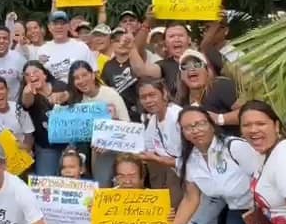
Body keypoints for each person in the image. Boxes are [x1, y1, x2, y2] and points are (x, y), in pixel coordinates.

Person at [66, 60, 130, 187]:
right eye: (76, 78)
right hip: (95, 150)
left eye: (84, 75)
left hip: (118, 149)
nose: (81, 80)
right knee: (101, 187)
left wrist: (109, 138)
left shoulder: (110, 94)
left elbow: (127, 125)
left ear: (93, 75)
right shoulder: (77, 101)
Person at [137, 78, 183, 207]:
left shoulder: (178, 116)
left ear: (164, 93)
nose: (148, 101)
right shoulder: (153, 120)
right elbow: (147, 149)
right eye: (143, 97)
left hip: (184, 173)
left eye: (152, 95)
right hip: (166, 171)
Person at [19, 61, 68, 175]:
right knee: (45, 181)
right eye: (27, 75)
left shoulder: (60, 85)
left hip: (69, 144)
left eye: (35, 72)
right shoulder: (29, 95)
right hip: (46, 146)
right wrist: (27, 93)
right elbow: (26, 103)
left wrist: (65, 95)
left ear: (45, 75)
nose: (31, 75)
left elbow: (74, 95)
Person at [175, 49, 240, 135]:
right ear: (181, 76)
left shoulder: (220, 85)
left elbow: (248, 112)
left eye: (197, 64)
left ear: (207, 71)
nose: (191, 69)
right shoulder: (183, 99)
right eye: (184, 66)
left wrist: (220, 119)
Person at [130, 19, 191, 97]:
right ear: (165, 43)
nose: (176, 39)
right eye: (171, 36)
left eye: (180, 36)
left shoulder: (202, 60)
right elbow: (141, 71)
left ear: (189, 39)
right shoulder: (163, 65)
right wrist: (131, 47)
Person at [37, 10, 96, 83]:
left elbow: (94, 72)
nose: (59, 26)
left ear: (68, 26)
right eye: (55, 24)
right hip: (53, 92)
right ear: (49, 27)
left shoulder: (81, 46)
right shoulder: (42, 50)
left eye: (62, 23)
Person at [0, 76, 34, 151]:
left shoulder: (19, 108)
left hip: (17, 153)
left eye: (1, 89)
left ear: (7, 90)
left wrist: (26, 150)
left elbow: (28, 133)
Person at [101, 28, 140, 122]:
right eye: (117, 41)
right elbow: (105, 89)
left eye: (124, 41)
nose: (121, 44)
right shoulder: (108, 65)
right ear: (111, 44)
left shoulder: (137, 60)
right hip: (119, 111)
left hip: (139, 110)